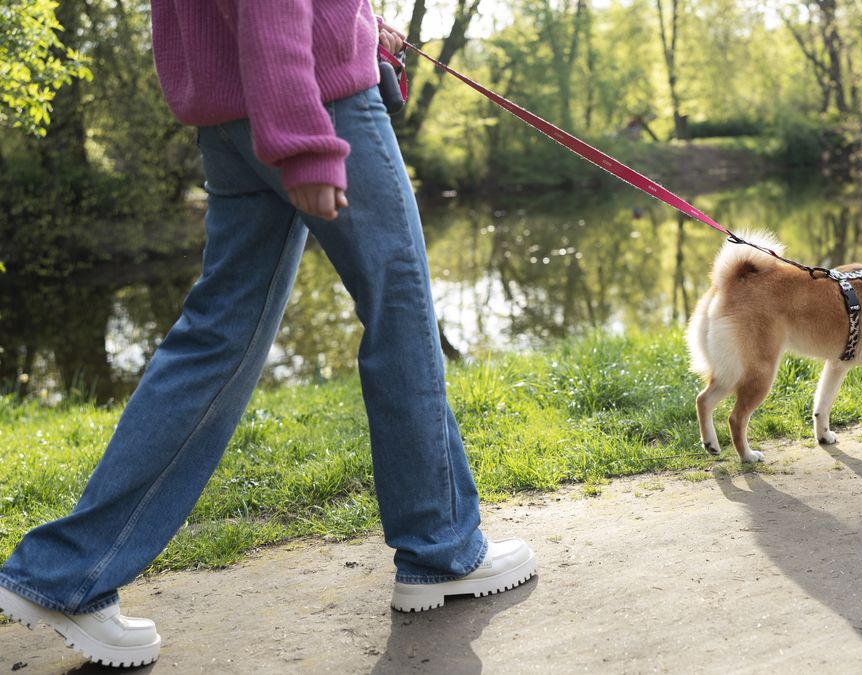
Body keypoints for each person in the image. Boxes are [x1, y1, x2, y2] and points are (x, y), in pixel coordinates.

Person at [0, 1, 536, 667]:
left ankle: (65, 570)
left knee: (216, 338)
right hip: (311, 98)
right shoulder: (303, 107)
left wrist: (356, 24)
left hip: (229, 105)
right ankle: (442, 547)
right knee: (399, 311)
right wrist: (302, 134)